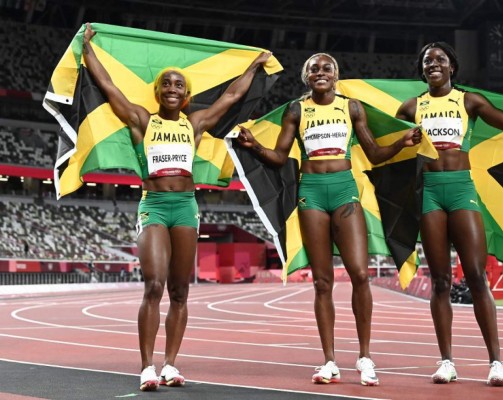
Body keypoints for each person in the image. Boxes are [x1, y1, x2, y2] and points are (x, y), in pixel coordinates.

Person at [82, 23, 270, 391]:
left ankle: (170, 365)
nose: (172, 89)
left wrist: (252, 67)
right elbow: (108, 87)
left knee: (180, 291)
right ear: (158, 91)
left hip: (186, 206)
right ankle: (146, 367)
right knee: (154, 285)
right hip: (153, 205)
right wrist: (87, 50)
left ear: (186, 94)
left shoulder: (195, 123)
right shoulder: (141, 119)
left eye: (178, 85)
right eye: (166, 84)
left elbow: (230, 98)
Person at [236, 53, 422, 386]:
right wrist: (253, 146)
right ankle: (329, 360)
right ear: (306, 77)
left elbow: (374, 153)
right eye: (313, 69)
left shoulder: (352, 108)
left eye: (327, 68)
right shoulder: (296, 110)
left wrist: (401, 142)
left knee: (360, 273)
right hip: (311, 193)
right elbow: (280, 158)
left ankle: (365, 357)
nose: (320, 72)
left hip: (344, 191)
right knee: (322, 282)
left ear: (336, 76)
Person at [395, 42, 503, 387]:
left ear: (452, 66)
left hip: (461, 190)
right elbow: (388, 146)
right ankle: (447, 362)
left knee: (477, 277)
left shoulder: (470, 101)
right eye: (427, 61)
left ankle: (496, 362)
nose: (433, 65)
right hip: (430, 194)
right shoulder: (410, 107)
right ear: (422, 70)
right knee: (439, 282)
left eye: (439, 60)